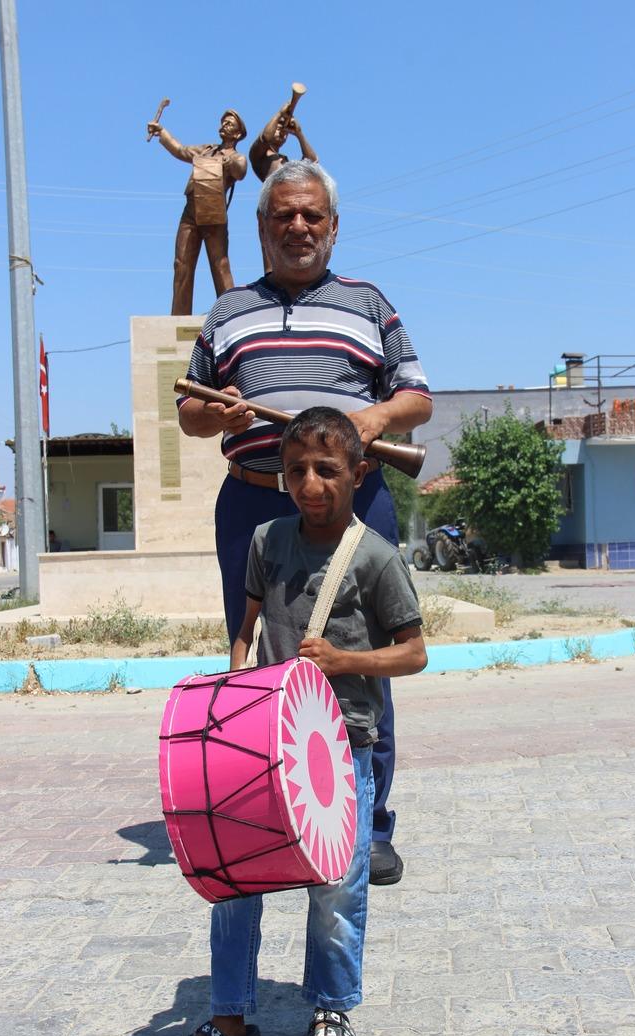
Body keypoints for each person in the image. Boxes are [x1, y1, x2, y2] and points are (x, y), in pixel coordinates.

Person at [177, 159, 432, 884]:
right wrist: (214, 411)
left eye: (310, 216)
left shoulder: (368, 301)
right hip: (253, 503)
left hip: (355, 507)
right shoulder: (228, 313)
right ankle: (277, 811)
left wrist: (376, 414)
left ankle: (369, 824)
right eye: (282, 216)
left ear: (333, 226)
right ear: (261, 228)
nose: (297, 227)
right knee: (257, 660)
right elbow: (189, 411)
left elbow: (417, 395)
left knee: (362, 660)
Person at [161, 407, 427, 1036]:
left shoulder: (376, 556)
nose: (310, 482)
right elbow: (245, 630)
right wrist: (236, 682)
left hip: (345, 746)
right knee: (232, 878)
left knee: (337, 886)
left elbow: (415, 652)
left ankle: (332, 1006)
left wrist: (345, 661)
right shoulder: (265, 540)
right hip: (264, 745)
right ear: (282, 477)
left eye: (327, 470)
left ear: (358, 473)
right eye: (296, 470)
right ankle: (229, 1018)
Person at [147, 110, 247, 315]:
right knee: (181, 264)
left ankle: (231, 316)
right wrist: (162, 132)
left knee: (220, 265)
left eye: (229, 124)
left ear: (237, 134)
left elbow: (241, 170)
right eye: (223, 122)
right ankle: (179, 318)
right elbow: (180, 150)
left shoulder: (236, 157)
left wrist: (229, 162)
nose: (224, 125)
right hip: (191, 210)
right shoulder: (206, 150)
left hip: (213, 212)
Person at [249, 103, 319, 274]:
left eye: (285, 132)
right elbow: (265, 137)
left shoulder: (286, 162)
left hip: (291, 212)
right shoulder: (260, 156)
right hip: (273, 212)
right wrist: (281, 112)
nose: (281, 133)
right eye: (278, 129)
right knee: (272, 261)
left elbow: (312, 161)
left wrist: (299, 134)